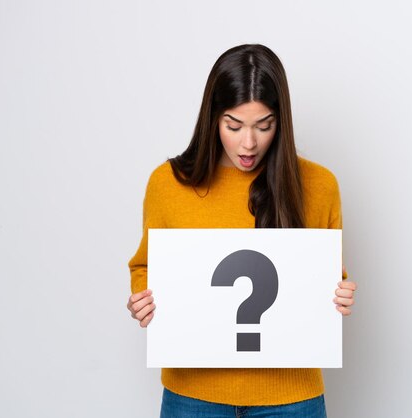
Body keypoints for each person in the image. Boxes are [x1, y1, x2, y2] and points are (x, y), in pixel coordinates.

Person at [126, 44, 357, 418]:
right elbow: (145, 267)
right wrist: (143, 298)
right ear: (212, 118)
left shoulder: (319, 185)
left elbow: (329, 278)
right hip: (193, 395)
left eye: (264, 126)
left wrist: (339, 296)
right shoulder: (167, 183)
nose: (248, 143)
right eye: (233, 126)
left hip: (291, 397)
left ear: (281, 121)